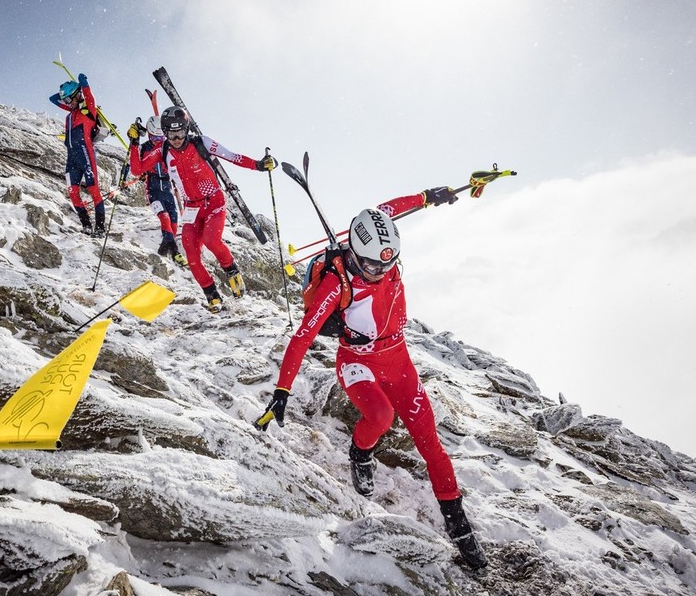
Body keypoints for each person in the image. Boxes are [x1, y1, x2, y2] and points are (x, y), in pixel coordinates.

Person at [255, 189, 488, 570]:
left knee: (431, 443)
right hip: (357, 361)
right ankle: (360, 452)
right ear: (354, 253)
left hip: (398, 359)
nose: (381, 272)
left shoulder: (378, 232)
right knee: (381, 418)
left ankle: (459, 525)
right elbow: (302, 338)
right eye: (372, 267)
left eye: (388, 264)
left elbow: (396, 207)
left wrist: (433, 195)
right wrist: (282, 391)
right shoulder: (337, 283)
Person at [127, 106, 277, 313]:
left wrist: (259, 165)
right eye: (171, 134)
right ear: (165, 133)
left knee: (211, 240)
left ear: (186, 129)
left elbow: (233, 157)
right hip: (191, 208)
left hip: (214, 201)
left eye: (180, 132)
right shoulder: (163, 151)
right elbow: (137, 169)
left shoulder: (201, 142)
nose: (177, 138)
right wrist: (134, 143)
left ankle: (231, 270)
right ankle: (211, 294)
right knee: (191, 255)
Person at [49, 73, 106, 237]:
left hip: (85, 155)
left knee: (93, 189)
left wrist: (83, 85)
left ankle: (100, 228)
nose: (67, 103)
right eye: (66, 101)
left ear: (78, 95)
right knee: (73, 192)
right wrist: (65, 92)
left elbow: (89, 96)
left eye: (69, 99)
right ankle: (86, 225)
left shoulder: (88, 110)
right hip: (71, 158)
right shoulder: (70, 114)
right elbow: (52, 99)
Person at [128, 115, 187, 267]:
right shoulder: (145, 147)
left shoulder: (169, 145)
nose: (158, 142)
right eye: (154, 138)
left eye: (160, 138)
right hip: (153, 188)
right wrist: (134, 142)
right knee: (164, 217)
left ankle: (160, 257)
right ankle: (175, 253)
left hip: (167, 188)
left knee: (173, 223)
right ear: (149, 133)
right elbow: (135, 168)